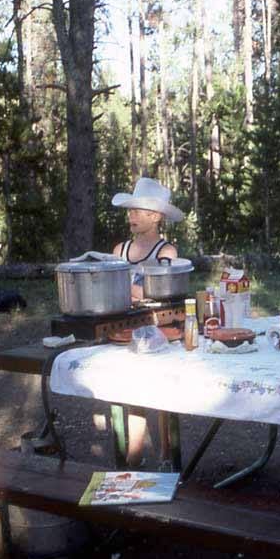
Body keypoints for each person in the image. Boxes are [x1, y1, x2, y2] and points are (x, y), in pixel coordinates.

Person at [111, 178, 184, 468]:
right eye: (130, 211)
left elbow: (160, 291)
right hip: (123, 330)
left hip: (157, 329)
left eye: (138, 211)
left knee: (160, 385)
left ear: (156, 217)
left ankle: (166, 453)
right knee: (128, 385)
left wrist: (124, 290)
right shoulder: (120, 250)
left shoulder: (166, 252)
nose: (131, 216)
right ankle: (135, 452)